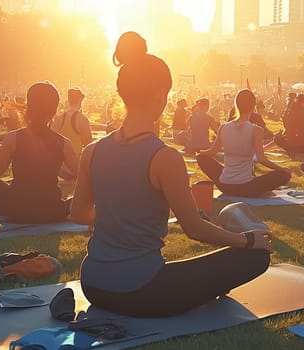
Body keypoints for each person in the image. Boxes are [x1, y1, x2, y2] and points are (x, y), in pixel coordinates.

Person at [71, 31, 271, 318]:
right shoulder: (164, 157)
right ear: (162, 96)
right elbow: (194, 228)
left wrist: (114, 218)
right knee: (256, 258)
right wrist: (248, 241)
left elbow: (78, 213)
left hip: (93, 285)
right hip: (142, 292)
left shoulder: (92, 151)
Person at [0, 81, 78, 224]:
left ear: (28, 107)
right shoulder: (64, 143)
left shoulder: (12, 138)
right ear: (54, 111)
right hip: (51, 211)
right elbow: (83, 176)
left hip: (17, 210)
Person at [197, 89, 291, 198]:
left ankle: (230, 177)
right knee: (284, 175)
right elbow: (261, 159)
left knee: (201, 158)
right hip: (246, 188)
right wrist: (283, 169)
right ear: (253, 106)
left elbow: (212, 151)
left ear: (236, 105)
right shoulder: (256, 130)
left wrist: (200, 153)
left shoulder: (224, 127)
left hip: (224, 184)